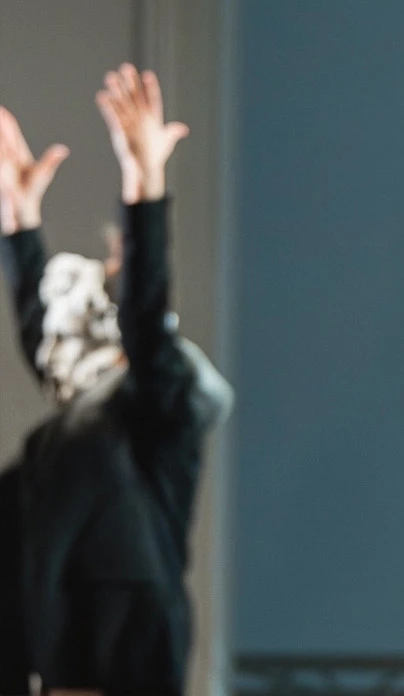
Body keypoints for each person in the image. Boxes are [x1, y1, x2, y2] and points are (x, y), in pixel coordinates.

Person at [0, 68, 233, 696]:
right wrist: (19, 225)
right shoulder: (73, 430)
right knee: (57, 445)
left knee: (73, 441)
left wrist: (144, 184)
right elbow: (50, 347)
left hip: (127, 648)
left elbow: (142, 320)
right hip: (58, 632)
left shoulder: (159, 408)